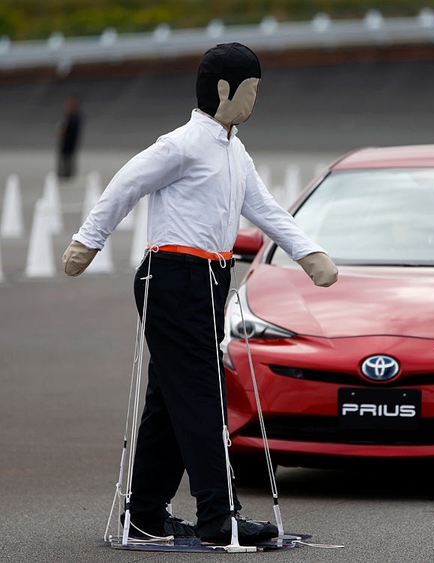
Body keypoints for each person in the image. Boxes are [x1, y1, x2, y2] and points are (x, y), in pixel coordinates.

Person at [61, 42, 338, 545]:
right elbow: (124, 184)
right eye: (251, 91)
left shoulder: (235, 151)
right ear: (224, 90)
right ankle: (218, 516)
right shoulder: (182, 144)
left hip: (210, 279)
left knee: (171, 398)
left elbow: (265, 208)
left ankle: (143, 516)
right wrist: (87, 241)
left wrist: (309, 252)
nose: (255, 101)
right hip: (172, 276)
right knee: (203, 397)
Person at [57, 95, 82, 179]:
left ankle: (66, 174)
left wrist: (62, 132)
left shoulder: (73, 117)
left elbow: (65, 129)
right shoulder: (73, 116)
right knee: (67, 158)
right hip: (70, 141)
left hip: (69, 141)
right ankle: (66, 174)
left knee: (67, 158)